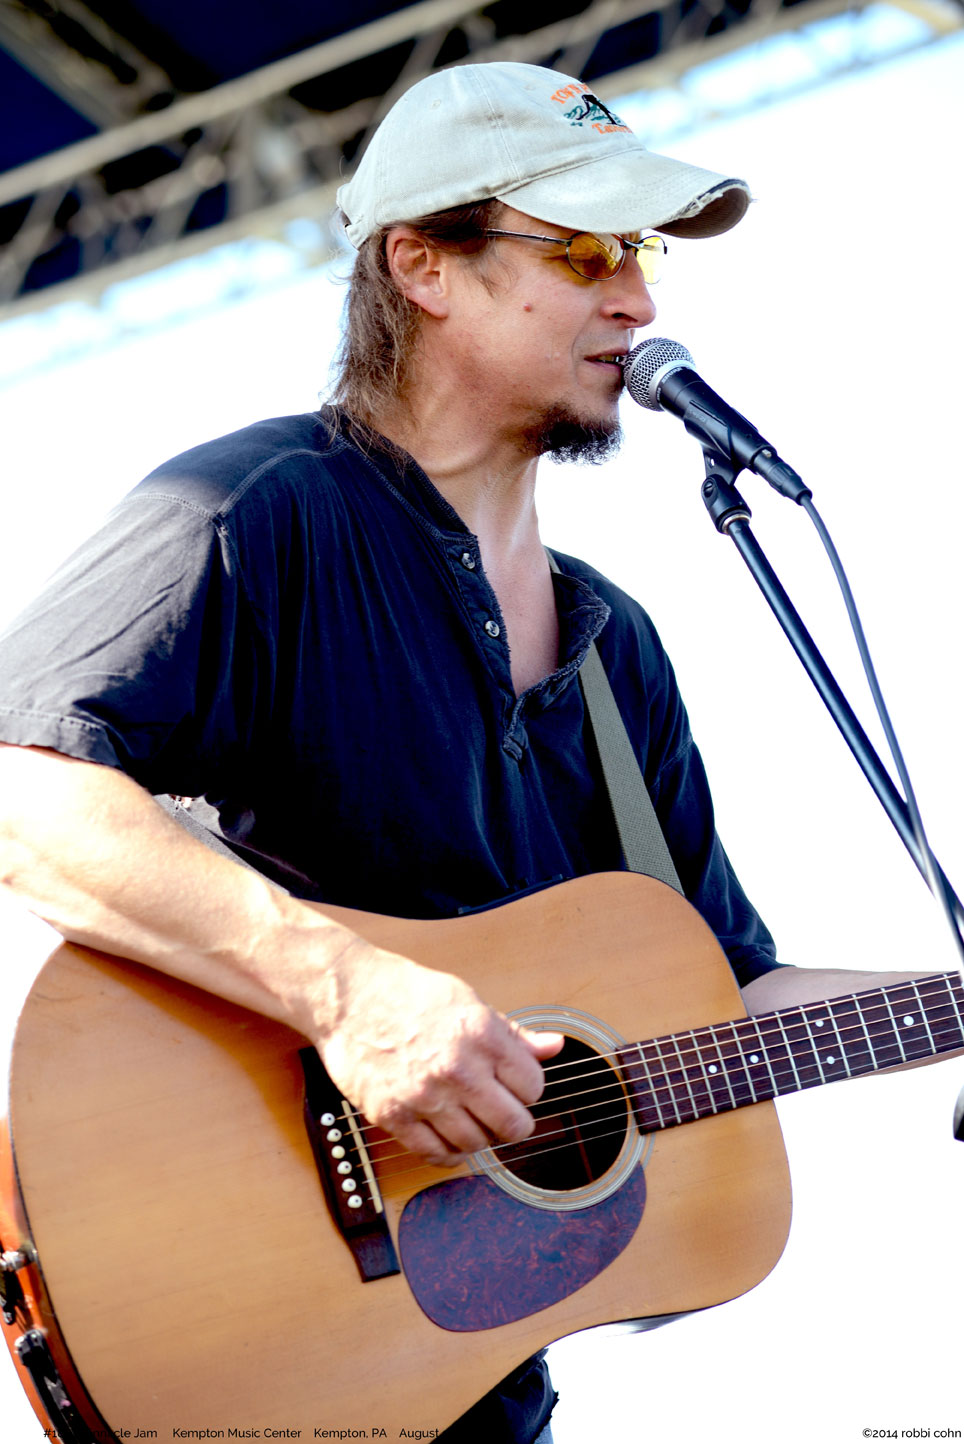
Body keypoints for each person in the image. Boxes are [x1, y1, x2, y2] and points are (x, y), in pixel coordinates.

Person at [0, 60, 940, 1444]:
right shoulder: (256, 514)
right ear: (423, 265)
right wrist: (350, 997)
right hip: (255, 1338)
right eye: (583, 252)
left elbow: (730, 992)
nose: (639, 299)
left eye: (641, 251)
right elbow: (21, 785)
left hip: (472, 1388)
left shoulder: (617, 652)